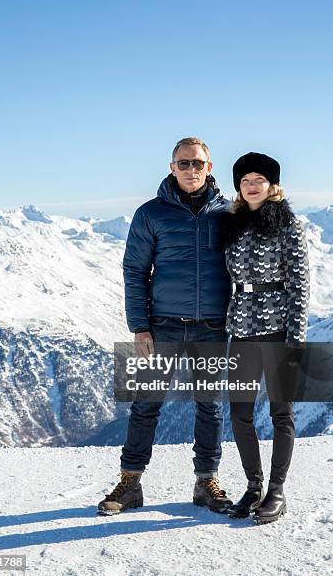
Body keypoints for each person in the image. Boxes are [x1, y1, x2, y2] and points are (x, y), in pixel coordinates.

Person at [97, 137, 233, 516]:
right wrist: (140, 326)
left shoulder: (228, 214)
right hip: (162, 326)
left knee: (210, 406)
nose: (192, 169)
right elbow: (135, 270)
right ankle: (130, 483)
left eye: (198, 163)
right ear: (172, 167)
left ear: (209, 167)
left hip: (213, 326)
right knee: (146, 405)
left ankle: (206, 482)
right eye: (184, 163)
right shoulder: (150, 214)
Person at [224, 152, 310, 524]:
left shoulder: (288, 224)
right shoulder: (232, 224)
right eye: (246, 180)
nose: (253, 185)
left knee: (281, 413)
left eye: (260, 179)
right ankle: (253, 485)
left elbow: (300, 283)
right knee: (240, 413)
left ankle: (276, 491)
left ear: (272, 185)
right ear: (239, 188)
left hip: (277, 329)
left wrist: (296, 339)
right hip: (241, 328)